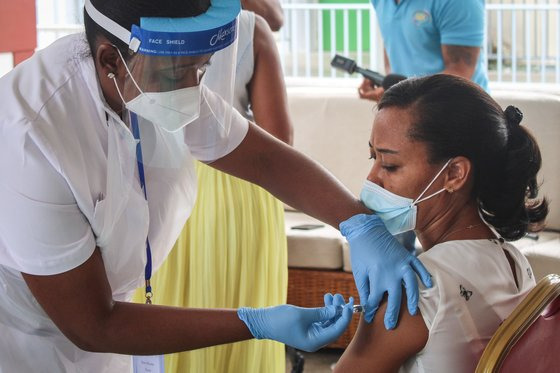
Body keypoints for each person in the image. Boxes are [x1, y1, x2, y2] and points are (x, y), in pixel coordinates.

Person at [0, 0, 432, 371]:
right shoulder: (30, 137)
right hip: (29, 339)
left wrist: (358, 223)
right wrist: (255, 323)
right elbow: (95, 325)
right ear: (110, 60)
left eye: (202, 70)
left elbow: (264, 157)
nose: (192, 89)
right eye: (177, 76)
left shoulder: (155, 76)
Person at [334, 74, 548, 372]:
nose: (372, 178)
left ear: (454, 174)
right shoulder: (512, 259)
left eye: (390, 164)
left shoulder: (413, 291)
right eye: (373, 156)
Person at [132, 9, 293, 373]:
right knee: (242, 316)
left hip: (161, 182)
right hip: (240, 192)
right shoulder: (251, 28)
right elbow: (279, 140)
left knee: (163, 316)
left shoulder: (136, 19)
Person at [358, 0, 489, 102]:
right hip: (409, 109)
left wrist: (401, 96)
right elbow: (392, 40)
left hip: (461, 111)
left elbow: (460, 72)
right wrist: (390, 89)